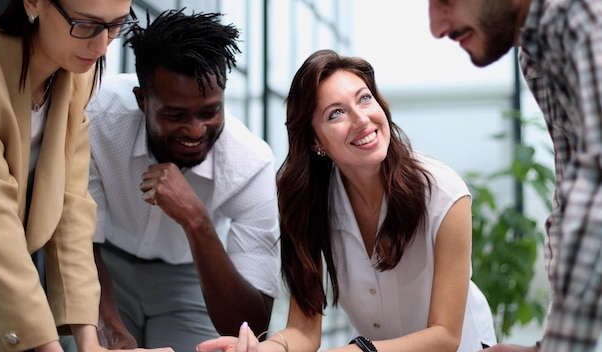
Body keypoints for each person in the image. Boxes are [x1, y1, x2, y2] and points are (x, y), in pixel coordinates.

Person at [197, 48, 497, 352]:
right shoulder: (308, 203)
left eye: (365, 98)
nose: (361, 119)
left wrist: (359, 351)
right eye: (336, 113)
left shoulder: (445, 195)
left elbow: (445, 336)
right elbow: (303, 329)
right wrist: (264, 350)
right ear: (315, 141)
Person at [0, 0, 173, 351]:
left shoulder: (74, 79)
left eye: (115, 27)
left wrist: (90, 341)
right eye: (86, 25)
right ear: (34, 3)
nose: (101, 47)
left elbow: (72, 209)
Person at [85, 8, 280, 352]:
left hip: (189, 276)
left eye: (209, 112)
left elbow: (252, 323)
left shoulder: (252, 165)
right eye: (175, 115)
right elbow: (81, 243)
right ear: (142, 101)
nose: (194, 130)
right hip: (103, 264)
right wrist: (113, 334)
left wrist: (197, 220)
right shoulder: (98, 118)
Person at [428, 0, 602, 351]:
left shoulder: (578, 16)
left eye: (443, 0)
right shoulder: (535, 53)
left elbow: (595, 191)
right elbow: (572, 193)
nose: (436, 28)